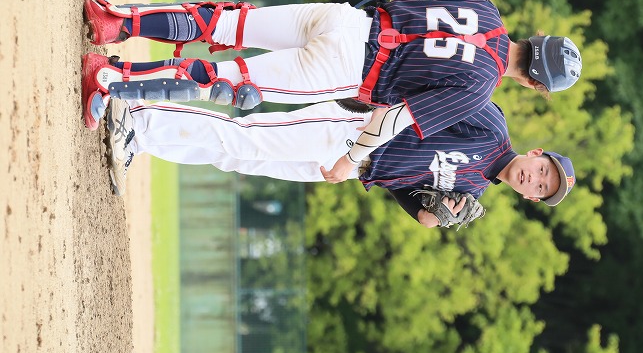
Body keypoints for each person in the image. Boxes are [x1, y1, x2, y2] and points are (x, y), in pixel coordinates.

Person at [82, 0, 582, 183]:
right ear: (535, 85)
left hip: (348, 20)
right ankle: (109, 78)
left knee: (228, 23)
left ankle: (115, 20)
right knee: (226, 79)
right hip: (347, 71)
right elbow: (394, 119)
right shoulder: (479, 89)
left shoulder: (487, 10)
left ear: (536, 38)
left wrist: (404, 14)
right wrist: (349, 160)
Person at [103, 97, 575, 228]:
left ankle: (141, 140)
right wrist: (359, 147)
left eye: (541, 188)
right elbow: (426, 97)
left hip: (352, 169)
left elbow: (412, 199)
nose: (534, 180)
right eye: (543, 171)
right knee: (247, 136)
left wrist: (437, 215)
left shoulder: (472, 191)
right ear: (536, 154)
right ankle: (139, 118)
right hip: (353, 129)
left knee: (237, 156)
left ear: (531, 198)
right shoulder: (492, 126)